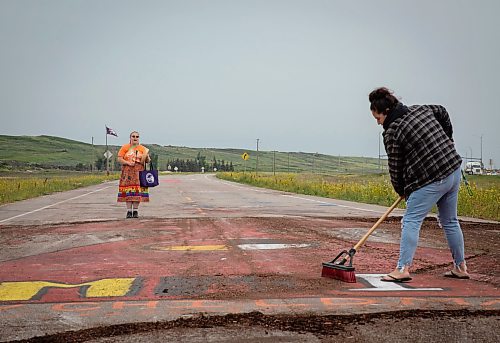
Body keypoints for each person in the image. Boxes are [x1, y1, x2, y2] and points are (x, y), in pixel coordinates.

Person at [369, 87, 469, 282]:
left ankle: (402, 268)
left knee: (410, 221)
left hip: (431, 179)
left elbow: (395, 168)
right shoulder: (420, 109)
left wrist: (402, 191)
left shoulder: (392, 133)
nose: (378, 122)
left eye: (377, 118)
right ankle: (461, 266)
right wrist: (448, 140)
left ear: (386, 112)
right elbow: (442, 110)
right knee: (450, 221)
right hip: (453, 170)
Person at [117, 131, 151, 218]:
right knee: (128, 192)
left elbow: (147, 160)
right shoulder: (125, 147)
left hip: (139, 173)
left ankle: (135, 211)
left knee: (137, 192)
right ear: (130, 138)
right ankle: (129, 211)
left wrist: (146, 157)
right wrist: (127, 162)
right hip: (127, 172)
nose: (135, 138)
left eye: (137, 136)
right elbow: (119, 158)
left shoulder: (143, 148)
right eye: (133, 136)